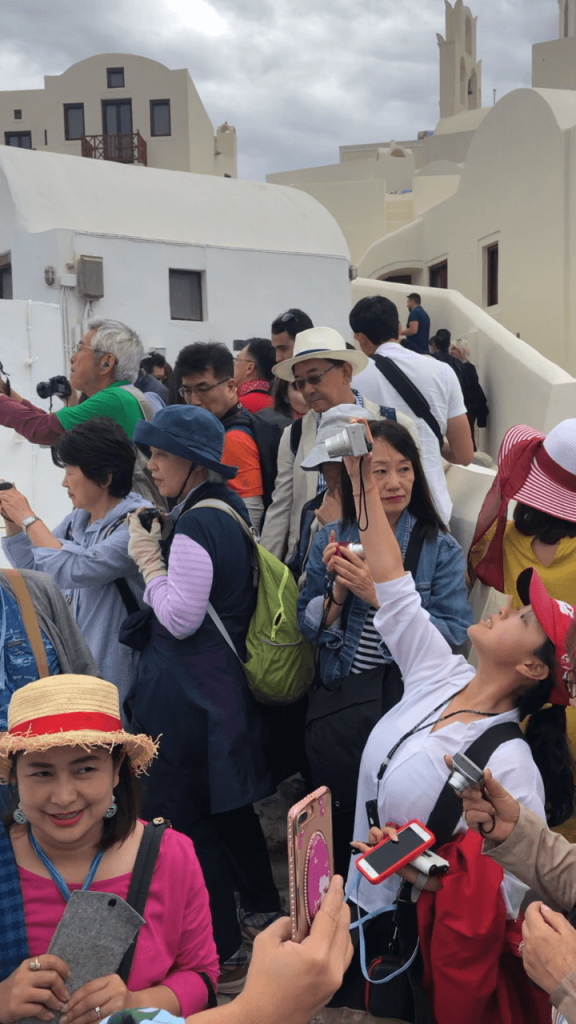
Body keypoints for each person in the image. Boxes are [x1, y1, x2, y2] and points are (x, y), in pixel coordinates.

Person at [326, 418, 573, 1022]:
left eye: (525, 618)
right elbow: (393, 582)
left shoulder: (513, 767)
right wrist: (361, 477)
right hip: (359, 905)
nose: (509, 607)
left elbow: (504, 897)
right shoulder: (444, 674)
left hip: (408, 946)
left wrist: (432, 877)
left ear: (535, 670)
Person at [125, 405, 281, 992]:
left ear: (192, 462)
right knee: (226, 808)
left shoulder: (193, 523)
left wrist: (147, 560)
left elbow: (181, 617)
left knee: (191, 825)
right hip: (218, 692)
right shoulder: (225, 507)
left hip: (189, 699)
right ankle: (261, 911)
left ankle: (221, 948)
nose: (153, 463)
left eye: (162, 454)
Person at [298, 410, 472, 873]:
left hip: (405, 707)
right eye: (380, 471)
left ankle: (387, 908)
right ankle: (349, 902)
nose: (395, 482)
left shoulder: (441, 547)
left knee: (397, 814)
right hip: (345, 703)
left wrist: (381, 596)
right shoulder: (334, 540)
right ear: (360, 479)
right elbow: (309, 627)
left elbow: (455, 637)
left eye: (405, 468)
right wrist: (338, 589)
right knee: (345, 817)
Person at [0, 674, 220, 1022]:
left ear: (117, 770)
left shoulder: (171, 856)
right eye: (41, 774)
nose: (64, 797)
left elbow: (201, 975)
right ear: (15, 775)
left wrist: (136, 1001)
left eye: (85, 769)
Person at [1, 419, 150, 712]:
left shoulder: (138, 523)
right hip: (80, 668)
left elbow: (75, 569)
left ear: (105, 478)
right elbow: (37, 570)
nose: (64, 482)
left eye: (70, 472)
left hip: (122, 674)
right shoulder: (78, 520)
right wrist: (13, 520)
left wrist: (29, 518)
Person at [259, 327, 418, 563]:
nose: (308, 391)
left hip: (381, 555)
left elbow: (416, 498)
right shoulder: (294, 434)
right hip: (312, 558)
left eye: (315, 378)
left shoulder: (395, 424)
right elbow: (281, 507)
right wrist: (267, 570)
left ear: (345, 372)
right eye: (300, 383)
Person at [351, 294, 474, 524]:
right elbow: (465, 454)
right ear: (399, 328)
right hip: (433, 508)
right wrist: (431, 442)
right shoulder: (442, 372)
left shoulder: (353, 379)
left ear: (360, 338)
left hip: (377, 514)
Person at [0, 319, 151, 445]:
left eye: (80, 348)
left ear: (106, 363)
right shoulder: (127, 396)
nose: (73, 357)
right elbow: (45, 422)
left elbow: (41, 429)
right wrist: (6, 391)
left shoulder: (111, 400)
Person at [174, 342, 266, 531]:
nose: (194, 401)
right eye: (187, 391)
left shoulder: (233, 439)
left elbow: (251, 515)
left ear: (231, 386)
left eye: (203, 389)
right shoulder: (225, 426)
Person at [449, 336, 489, 442]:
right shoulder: (459, 366)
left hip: (469, 406)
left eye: (454, 348)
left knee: (468, 434)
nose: (451, 351)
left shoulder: (467, 367)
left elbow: (470, 386)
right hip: (466, 405)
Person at [233, 338, 275, 412]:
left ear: (250, 368)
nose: (234, 365)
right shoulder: (276, 403)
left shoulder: (237, 405)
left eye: (237, 360)